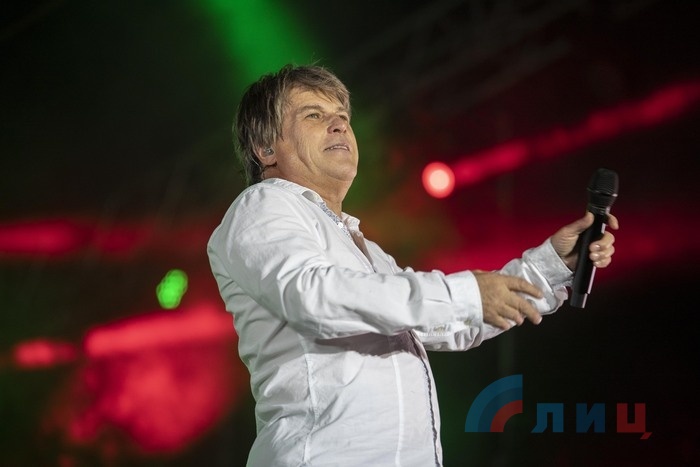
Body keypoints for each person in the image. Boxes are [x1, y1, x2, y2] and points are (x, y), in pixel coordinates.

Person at [207, 64, 618, 466]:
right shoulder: (263, 204)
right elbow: (313, 296)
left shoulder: (366, 250)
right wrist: (467, 293)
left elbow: (449, 322)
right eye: (314, 115)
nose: (339, 126)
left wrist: (551, 265)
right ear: (266, 148)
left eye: (343, 116)